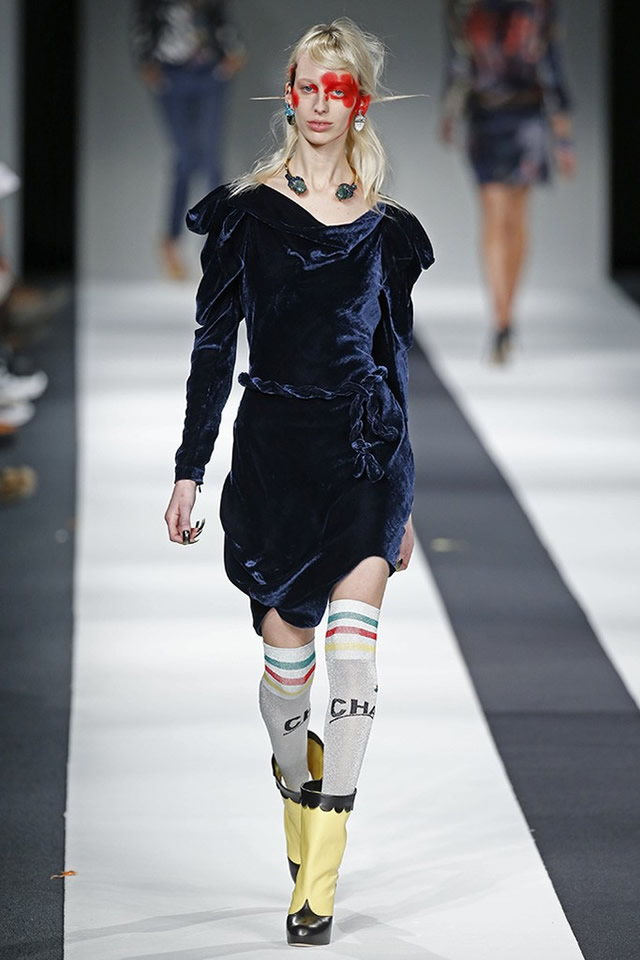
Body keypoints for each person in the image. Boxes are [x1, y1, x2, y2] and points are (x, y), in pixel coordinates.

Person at [164, 18, 433, 947]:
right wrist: (190, 469)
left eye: (338, 89)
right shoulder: (246, 216)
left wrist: (407, 499)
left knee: (354, 661)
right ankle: (295, 783)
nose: (321, 105)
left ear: (361, 101)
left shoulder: (388, 231)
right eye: (308, 87)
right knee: (289, 676)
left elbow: (395, 360)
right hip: (275, 458)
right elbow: (212, 349)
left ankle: (318, 875)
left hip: (365, 453)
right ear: (289, 93)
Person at [441, 0, 576, 363]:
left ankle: (505, 316)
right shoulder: (463, 6)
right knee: (498, 216)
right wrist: (450, 110)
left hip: (525, 116)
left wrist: (563, 135)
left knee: (511, 218)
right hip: (486, 116)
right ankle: (501, 317)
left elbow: (550, 61)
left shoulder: (538, 5)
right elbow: (458, 60)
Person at [131, 0, 246, 279]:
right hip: (171, 73)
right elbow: (143, 22)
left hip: (209, 71)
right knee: (186, 158)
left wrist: (233, 52)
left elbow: (220, 16)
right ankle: (171, 242)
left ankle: (218, 243)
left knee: (211, 159)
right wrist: (146, 63)